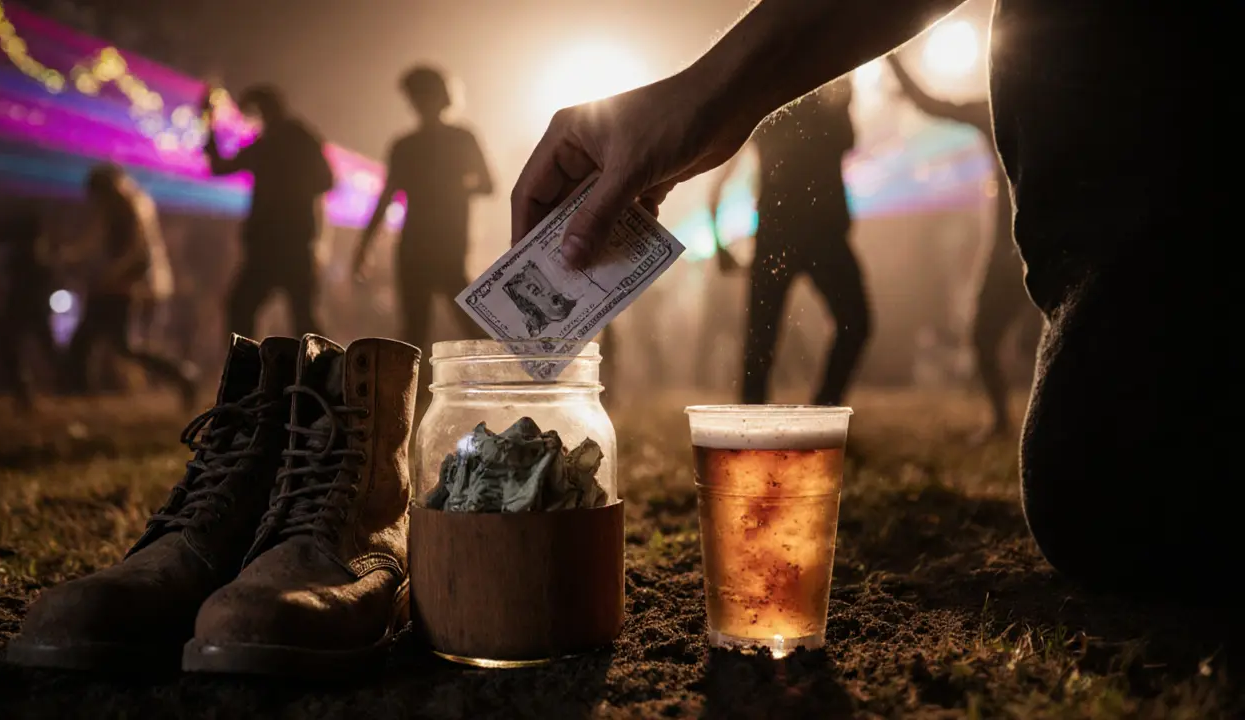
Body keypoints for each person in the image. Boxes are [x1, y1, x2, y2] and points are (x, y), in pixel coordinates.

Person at [508, 0, 1233, 601]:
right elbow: (738, 169)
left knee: (1105, 491)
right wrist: (710, 103)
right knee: (1100, 493)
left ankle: (804, 419)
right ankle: (757, 427)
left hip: (839, 229)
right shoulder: (786, 116)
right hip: (784, 230)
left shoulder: (837, 108)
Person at [886, 52, 1039, 442]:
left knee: (996, 338)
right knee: (986, 338)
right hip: (1022, 244)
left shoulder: (999, 109)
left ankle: (1014, 420)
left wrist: (889, 57)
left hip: (1030, 243)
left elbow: (928, 104)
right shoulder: (1002, 109)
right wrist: (891, 59)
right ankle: (1005, 420)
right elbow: (929, 103)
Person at [706, 78, 870, 406]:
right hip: (818, 234)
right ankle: (823, 408)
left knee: (760, 340)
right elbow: (848, 140)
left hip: (779, 235)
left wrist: (719, 242)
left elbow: (718, 182)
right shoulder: (822, 99)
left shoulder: (768, 104)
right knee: (854, 322)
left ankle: (757, 422)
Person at [352, 65, 493, 356]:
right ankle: (503, 378)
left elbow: (489, 185)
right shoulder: (449, 140)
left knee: (421, 329)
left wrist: (364, 246)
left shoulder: (412, 145)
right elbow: (487, 185)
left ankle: (502, 377)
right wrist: (364, 245)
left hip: (434, 245)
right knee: (428, 327)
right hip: (432, 244)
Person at [204, 84, 333, 339]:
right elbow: (326, 181)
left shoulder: (273, 143)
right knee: (302, 319)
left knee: (244, 309)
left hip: (276, 244)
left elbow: (220, 167)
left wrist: (208, 121)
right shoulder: (287, 139)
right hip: (291, 243)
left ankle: (250, 373)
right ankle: (323, 375)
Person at [64, 165, 196, 409]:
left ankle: (183, 376)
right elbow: (100, 242)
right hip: (116, 285)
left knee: (107, 343)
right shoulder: (121, 207)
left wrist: (112, 275)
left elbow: (136, 251)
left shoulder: (126, 208)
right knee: (97, 341)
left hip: (123, 287)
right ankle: (78, 391)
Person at [0, 200, 58, 411]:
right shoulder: (32, 259)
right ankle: (30, 390)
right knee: (36, 345)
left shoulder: (26, 259)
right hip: (27, 306)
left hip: (23, 306)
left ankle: (27, 391)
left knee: (8, 344)